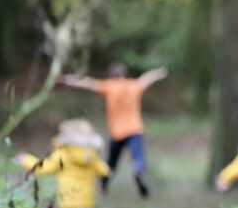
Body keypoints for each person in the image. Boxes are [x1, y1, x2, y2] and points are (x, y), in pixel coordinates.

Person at [58, 63, 168, 198]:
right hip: (134, 129)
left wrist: (69, 79)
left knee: (111, 161)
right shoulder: (133, 85)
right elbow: (146, 78)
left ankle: (103, 185)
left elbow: (88, 83)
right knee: (138, 156)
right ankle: (139, 172)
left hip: (117, 133)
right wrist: (159, 72)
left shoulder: (109, 86)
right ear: (124, 75)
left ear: (111, 76)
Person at [16, 119, 111, 208]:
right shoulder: (91, 154)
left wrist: (26, 160)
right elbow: (101, 168)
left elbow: (44, 167)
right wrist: (107, 171)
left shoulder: (63, 153)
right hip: (85, 195)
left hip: (69, 194)